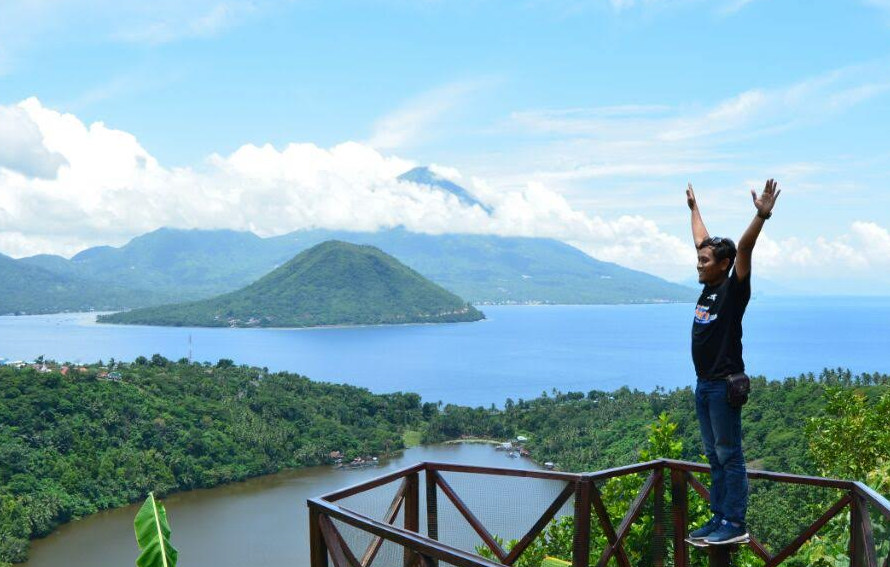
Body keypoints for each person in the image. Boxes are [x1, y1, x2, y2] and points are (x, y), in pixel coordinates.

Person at [685, 179, 781, 545]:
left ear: (724, 265)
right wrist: (694, 208)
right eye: (699, 259)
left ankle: (735, 522)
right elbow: (702, 240)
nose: (699, 263)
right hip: (704, 384)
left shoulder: (733, 288)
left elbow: (744, 248)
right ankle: (718, 517)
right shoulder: (709, 286)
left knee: (729, 455)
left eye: (705, 261)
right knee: (714, 456)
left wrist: (760, 216)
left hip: (724, 386)